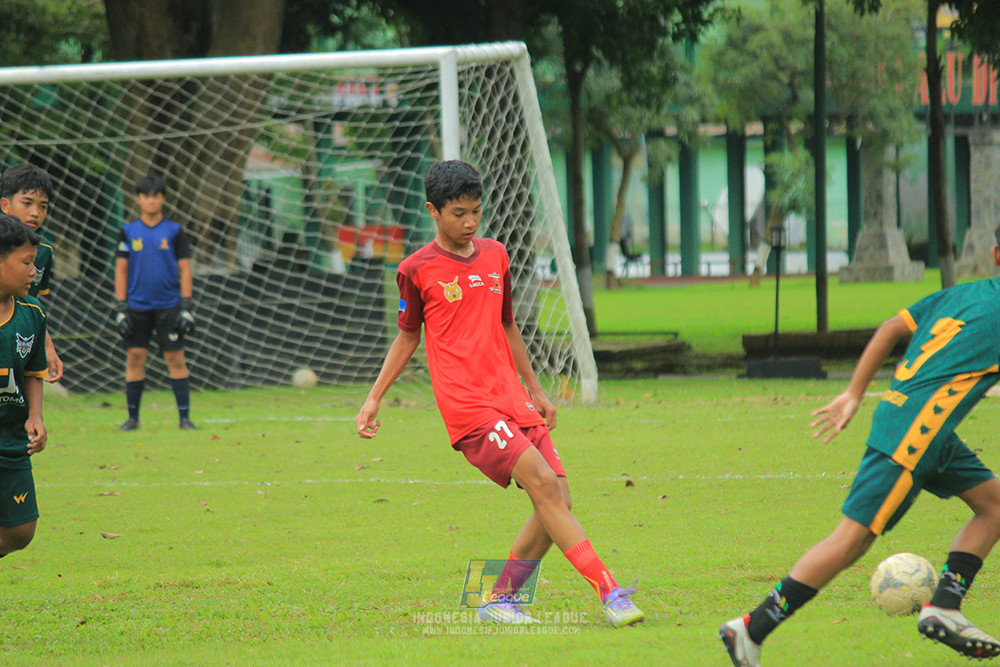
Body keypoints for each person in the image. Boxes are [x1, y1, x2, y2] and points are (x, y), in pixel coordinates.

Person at [355, 160, 644, 628]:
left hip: (512, 396)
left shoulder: (496, 255)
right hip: (468, 406)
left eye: (476, 211)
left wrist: (536, 390)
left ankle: (500, 599)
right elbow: (407, 337)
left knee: (558, 498)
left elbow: (508, 324)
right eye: (459, 214)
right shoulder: (415, 269)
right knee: (546, 486)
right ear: (433, 211)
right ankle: (611, 592)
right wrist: (374, 398)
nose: (470, 222)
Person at [719, 225, 1000, 666]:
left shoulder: (963, 294)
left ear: (996, 256)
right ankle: (751, 628)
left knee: (995, 506)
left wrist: (854, 393)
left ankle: (945, 606)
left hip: (909, 418)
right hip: (918, 432)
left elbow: (890, 328)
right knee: (851, 541)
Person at [113, 174, 196, 431]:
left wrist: (186, 306)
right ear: (138, 199)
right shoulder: (128, 231)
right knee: (135, 357)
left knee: (176, 358)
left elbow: (185, 269)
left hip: (169, 305)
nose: (151, 201)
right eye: (146, 196)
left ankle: (184, 419)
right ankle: (132, 419)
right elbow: (121, 270)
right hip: (136, 306)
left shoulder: (175, 231)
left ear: (163, 199)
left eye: (156, 196)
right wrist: (120, 307)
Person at [0, 214, 50, 560]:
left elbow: (33, 371)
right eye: (26, 263)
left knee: (21, 531)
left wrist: (36, 416)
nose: (34, 272)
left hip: (11, 435)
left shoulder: (32, 313)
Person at [0, 164, 64, 383]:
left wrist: (47, 346)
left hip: (15, 336)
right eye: (27, 203)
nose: (35, 212)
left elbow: (31, 304)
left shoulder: (44, 251)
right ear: (5, 205)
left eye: (43, 206)